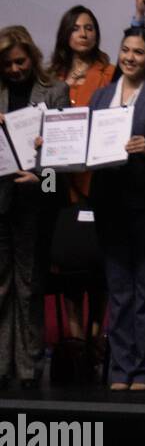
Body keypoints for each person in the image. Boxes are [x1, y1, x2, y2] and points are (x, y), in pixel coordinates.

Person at [86, 27, 145, 392]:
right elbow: (86, 140)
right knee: (119, 289)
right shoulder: (100, 95)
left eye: (138, 52)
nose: (129, 57)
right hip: (108, 201)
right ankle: (120, 368)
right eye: (125, 50)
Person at [0, 26, 71, 390]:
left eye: (20, 61)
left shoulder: (56, 91)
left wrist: (41, 173)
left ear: (32, 55)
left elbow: (63, 155)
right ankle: (1, 365)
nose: (15, 69)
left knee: (29, 286)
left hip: (34, 202)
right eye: (8, 64)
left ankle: (28, 367)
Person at [48, 4, 116, 347]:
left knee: (97, 261)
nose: (84, 33)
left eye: (90, 27)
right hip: (60, 182)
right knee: (69, 262)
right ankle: (75, 338)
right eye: (77, 28)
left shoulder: (110, 73)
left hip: (97, 178)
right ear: (66, 33)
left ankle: (96, 334)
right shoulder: (50, 76)